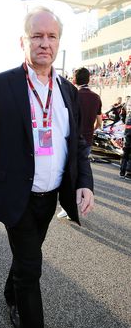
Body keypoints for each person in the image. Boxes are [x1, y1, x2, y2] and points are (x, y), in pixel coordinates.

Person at [0, 7, 94, 328]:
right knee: (31, 267)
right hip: (15, 195)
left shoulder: (68, 91)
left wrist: (84, 182)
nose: (45, 43)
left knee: (28, 258)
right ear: (23, 41)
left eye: (51, 37)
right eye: (37, 36)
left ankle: (11, 292)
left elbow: (77, 145)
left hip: (50, 196)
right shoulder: (3, 83)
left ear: (58, 42)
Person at [57, 67, 102, 219]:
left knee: (67, 172)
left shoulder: (70, 93)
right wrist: (90, 130)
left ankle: (66, 206)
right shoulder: (96, 97)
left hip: (70, 140)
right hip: (87, 139)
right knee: (80, 172)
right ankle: (76, 204)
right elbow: (99, 122)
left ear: (74, 79)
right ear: (89, 79)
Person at [120, 97, 131, 179]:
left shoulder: (128, 101)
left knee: (126, 151)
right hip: (128, 128)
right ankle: (128, 173)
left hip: (128, 128)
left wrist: (125, 121)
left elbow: (122, 113)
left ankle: (122, 171)